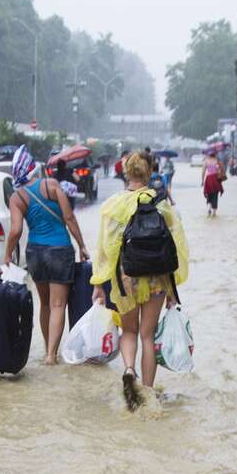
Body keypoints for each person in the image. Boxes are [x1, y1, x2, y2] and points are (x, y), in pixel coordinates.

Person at [91, 151, 190, 410]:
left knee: (129, 331)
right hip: (157, 279)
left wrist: (99, 284)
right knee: (147, 336)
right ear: (149, 173)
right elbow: (176, 248)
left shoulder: (114, 205)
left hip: (126, 278)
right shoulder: (161, 205)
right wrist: (172, 288)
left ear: (126, 173)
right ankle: (147, 393)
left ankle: (128, 370)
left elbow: (105, 249)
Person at [4, 150, 92, 366]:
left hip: (35, 253)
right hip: (60, 250)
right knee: (58, 304)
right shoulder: (51, 185)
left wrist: (7, 254)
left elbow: (15, 230)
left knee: (44, 303)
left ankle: (46, 350)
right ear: (33, 168)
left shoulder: (17, 197)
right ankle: (52, 355)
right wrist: (81, 245)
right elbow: (69, 218)